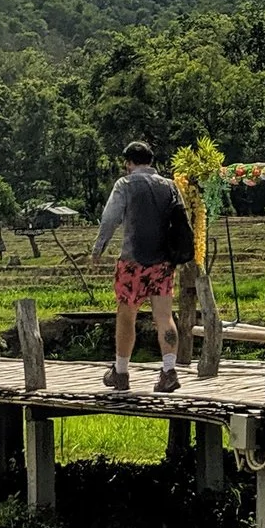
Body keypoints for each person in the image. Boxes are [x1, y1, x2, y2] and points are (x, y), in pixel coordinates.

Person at [89, 140, 183, 392]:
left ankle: (121, 373)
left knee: (126, 315)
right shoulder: (170, 186)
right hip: (163, 261)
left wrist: (98, 248)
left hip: (133, 262)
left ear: (128, 163)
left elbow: (110, 218)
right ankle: (169, 370)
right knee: (164, 317)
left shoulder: (125, 184)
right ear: (151, 161)